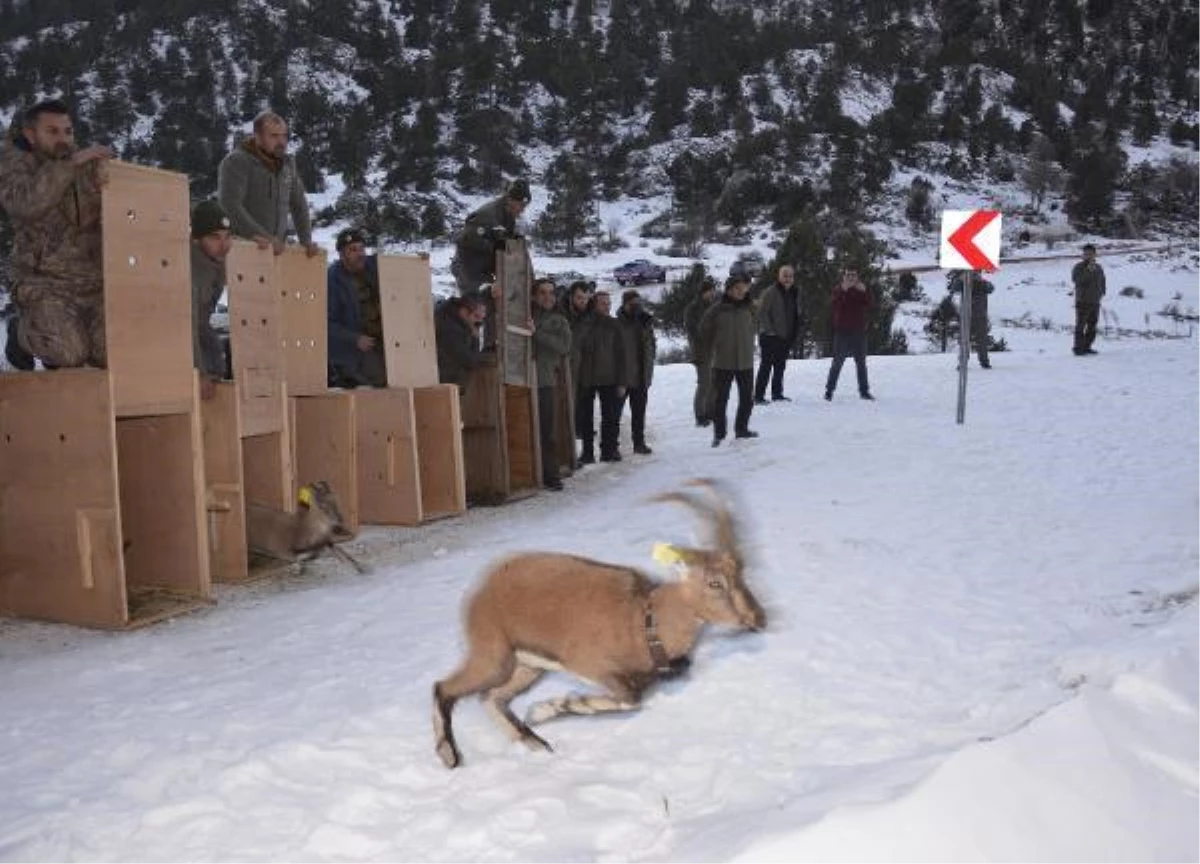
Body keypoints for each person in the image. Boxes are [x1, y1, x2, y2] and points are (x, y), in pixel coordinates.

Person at [0, 99, 112, 368]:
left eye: (68, 131)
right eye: (52, 131)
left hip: (93, 285)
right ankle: (21, 332)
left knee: (114, 350)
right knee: (69, 353)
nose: (63, 139)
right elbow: (25, 204)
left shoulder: (85, 168)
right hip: (44, 284)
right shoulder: (14, 164)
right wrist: (70, 165)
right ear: (31, 134)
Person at [217, 110, 319, 257]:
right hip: (242, 248)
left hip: (275, 251)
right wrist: (261, 236)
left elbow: (299, 204)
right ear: (257, 136)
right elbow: (229, 204)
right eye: (274, 136)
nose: (281, 142)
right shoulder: (237, 161)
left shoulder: (287, 165)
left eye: (284, 136)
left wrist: (306, 241)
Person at [699, 274, 757, 446]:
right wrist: (716, 345)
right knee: (720, 401)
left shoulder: (749, 308)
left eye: (743, 288)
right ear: (729, 290)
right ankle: (719, 434)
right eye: (736, 289)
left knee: (747, 399)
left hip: (745, 361)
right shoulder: (716, 309)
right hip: (723, 362)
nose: (740, 292)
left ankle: (742, 429)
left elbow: (755, 325)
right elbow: (703, 331)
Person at [326, 227, 386, 387]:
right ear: (342, 254)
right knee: (382, 378)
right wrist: (355, 339)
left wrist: (418, 259)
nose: (360, 254)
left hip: (384, 339)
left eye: (361, 249)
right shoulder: (332, 280)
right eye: (353, 250)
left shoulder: (372, 266)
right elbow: (327, 323)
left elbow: (399, 266)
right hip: (353, 349)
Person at [452, 179, 531, 295]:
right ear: (510, 200)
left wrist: (513, 240)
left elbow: (501, 237)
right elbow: (466, 240)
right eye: (521, 205)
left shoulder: (507, 214)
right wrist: (495, 247)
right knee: (475, 306)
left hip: (485, 269)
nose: (523, 209)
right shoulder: (488, 215)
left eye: (525, 205)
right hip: (470, 269)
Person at [575, 290, 626, 463]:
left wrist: (622, 381)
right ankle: (587, 453)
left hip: (610, 378)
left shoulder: (615, 325)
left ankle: (608, 451)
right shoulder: (584, 322)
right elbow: (577, 345)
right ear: (594, 304)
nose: (607, 306)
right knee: (586, 419)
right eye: (603, 303)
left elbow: (622, 355)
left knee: (610, 417)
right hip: (587, 378)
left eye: (609, 303)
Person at [190, 199, 233, 399]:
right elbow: (189, 324)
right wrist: (199, 373)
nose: (224, 245)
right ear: (196, 239)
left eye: (227, 237)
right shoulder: (192, 271)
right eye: (215, 237)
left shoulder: (214, 261)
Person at [531, 277, 572, 491]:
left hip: (545, 380)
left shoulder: (559, 320)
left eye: (551, 293)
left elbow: (564, 346)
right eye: (543, 293)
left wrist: (536, 333)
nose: (547, 297)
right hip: (521, 380)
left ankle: (552, 474)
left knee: (547, 431)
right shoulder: (525, 315)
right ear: (534, 296)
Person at [824, 265, 874, 401]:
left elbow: (869, 304)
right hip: (842, 332)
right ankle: (829, 391)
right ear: (844, 277)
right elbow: (835, 305)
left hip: (859, 332)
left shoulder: (861, 289)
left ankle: (864, 392)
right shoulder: (838, 290)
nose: (851, 277)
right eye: (848, 275)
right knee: (837, 363)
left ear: (857, 277)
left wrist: (865, 292)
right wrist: (844, 291)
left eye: (853, 275)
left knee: (861, 363)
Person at [616, 289, 657, 455]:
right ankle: (611, 447)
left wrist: (650, 363)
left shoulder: (644, 322)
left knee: (639, 414)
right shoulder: (617, 324)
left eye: (639, 303)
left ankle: (639, 443)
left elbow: (651, 345)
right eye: (633, 304)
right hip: (623, 377)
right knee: (614, 415)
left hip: (641, 376)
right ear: (625, 304)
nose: (637, 307)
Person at [754, 264, 801, 403]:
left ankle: (777, 394)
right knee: (766, 368)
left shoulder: (794, 292)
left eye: (790, 276)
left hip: (785, 337)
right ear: (779, 276)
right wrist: (771, 331)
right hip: (770, 337)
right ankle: (758, 396)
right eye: (785, 275)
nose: (787, 278)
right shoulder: (770, 292)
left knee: (780, 367)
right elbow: (761, 313)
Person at [434, 294, 490, 390]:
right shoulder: (451, 331)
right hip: (444, 382)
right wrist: (475, 339)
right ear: (464, 311)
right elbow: (470, 361)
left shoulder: (450, 313)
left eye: (481, 318)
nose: (478, 322)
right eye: (476, 316)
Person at [684, 275, 717, 427]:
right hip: (701, 351)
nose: (712, 294)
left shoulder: (714, 306)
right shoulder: (692, 308)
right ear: (703, 292)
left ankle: (711, 412)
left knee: (713, 383)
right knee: (704, 383)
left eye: (713, 291)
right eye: (710, 291)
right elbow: (693, 331)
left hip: (715, 350)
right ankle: (700, 415)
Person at [948, 270, 994, 369]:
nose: (974, 276)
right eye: (973, 274)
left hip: (980, 316)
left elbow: (991, 288)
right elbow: (952, 288)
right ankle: (963, 362)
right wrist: (960, 280)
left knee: (982, 341)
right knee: (964, 341)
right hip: (966, 316)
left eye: (976, 274)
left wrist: (981, 281)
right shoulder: (963, 284)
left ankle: (984, 362)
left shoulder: (983, 284)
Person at [1071, 243, 1106, 356]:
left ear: (1095, 254)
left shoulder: (1099, 267)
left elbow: (1102, 280)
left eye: (1091, 254)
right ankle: (1078, 348)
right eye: (1086, 254)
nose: (1088, 256)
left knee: (1092, 325)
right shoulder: (1079, 267)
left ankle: (1087, 347)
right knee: (1080, 325)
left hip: (1095, 301)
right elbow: (1078, 280)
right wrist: (1088, 270)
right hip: (1083, 301)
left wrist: (1102, 292)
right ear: (1083, 255)